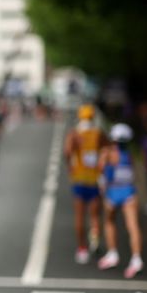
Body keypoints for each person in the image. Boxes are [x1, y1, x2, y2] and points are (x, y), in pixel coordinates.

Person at [97, 123, 143, 278]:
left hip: (113, 191)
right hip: (129, 191)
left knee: (109, 222)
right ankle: (136, 259)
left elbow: (101, 169)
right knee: (133, 226)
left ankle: (112, 254)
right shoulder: (129, 154)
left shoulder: (108, 152)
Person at [63, 103, 105, 263]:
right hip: (94, 180)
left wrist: (70, 167)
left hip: (79, 179)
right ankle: (94, 239)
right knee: (95, 215)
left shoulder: (74, 134)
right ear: (93, 117)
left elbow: (67, 152)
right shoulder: (98, 134)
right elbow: (107, 149)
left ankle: (82, 248)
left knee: (80, 216)